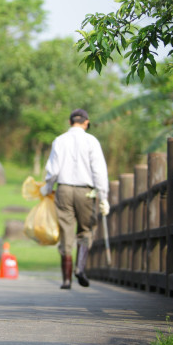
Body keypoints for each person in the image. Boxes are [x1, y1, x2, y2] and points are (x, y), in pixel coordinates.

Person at [41, 109, 110, 289]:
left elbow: (53, 170)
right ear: (86, 122)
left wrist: (47, 188)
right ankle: (79, 268)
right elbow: (99, 172)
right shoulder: (91, 141)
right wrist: (103, 197)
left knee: (66, 231)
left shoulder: (60, 140)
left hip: (63, 189)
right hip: (85, 191)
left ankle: (66, 280)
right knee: (86, 230)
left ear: (70, 121)